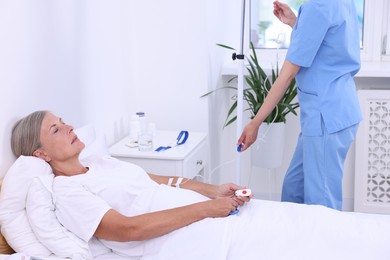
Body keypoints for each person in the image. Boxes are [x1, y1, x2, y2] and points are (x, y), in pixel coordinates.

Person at [9, 110, 390, 259]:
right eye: (57, 129)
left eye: (64, 121)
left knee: (317, 222)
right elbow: (127, 230)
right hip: (203, 241)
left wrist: (211, 190)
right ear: (41, 155)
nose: (71, 128)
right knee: (319, 247)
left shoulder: (98, 163)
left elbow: (154, 180)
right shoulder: (67, 192)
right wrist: (207, 209)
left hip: (215, 217)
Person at [237, 0, 362, 210]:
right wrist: (296, 23)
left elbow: (286, 76)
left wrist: (256, 122)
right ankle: (294, 241)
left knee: (321, 204)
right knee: (293, 189)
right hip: (337, 110)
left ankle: (321, 242)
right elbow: (329, 41)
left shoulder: (317, 6)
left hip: (325, 117)